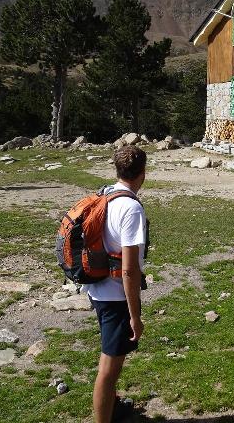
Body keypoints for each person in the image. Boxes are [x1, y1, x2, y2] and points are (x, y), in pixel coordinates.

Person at [86, 146, 148, 423]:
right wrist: (135, 316)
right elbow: (129, 270)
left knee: (110, 362)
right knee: (108, 369)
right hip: (115, 296)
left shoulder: (106, 194)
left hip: (97, 288)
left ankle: (113, 407)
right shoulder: (131, 208)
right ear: (143, 173)